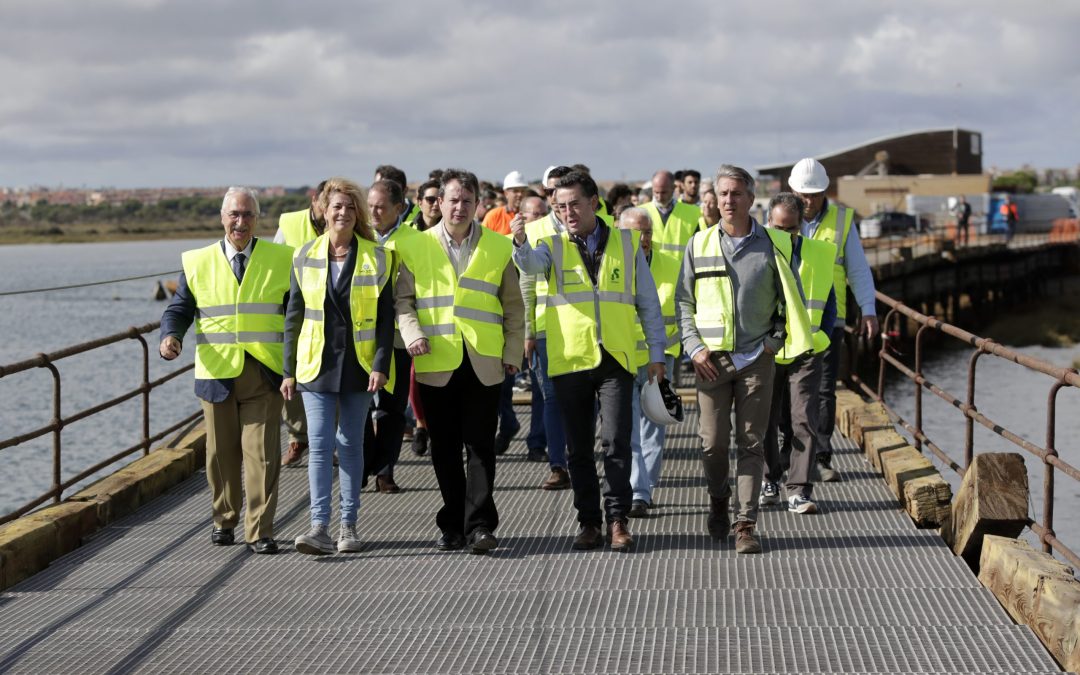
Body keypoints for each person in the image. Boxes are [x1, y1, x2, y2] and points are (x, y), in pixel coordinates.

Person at [512, 171, 668, 553]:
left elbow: (647, 301)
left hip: (615, 357)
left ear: (594, 202)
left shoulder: (628, 244)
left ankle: (617, 520)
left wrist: (657, 354)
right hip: (570, 359)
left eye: (574, 204)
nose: (567, 212)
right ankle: (588, 521)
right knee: (578, 448)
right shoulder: (550, 245)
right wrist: (519, 243)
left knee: (615, 441)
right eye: (560, 206)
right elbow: (530, 267)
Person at [677, 165, 814, 554]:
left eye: (736, 193)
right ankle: (719, 499)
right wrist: (694, 347)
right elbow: (683, 303)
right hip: (710, 361)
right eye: (723, 193)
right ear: (715, 198)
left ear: (752, 199)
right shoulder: (698, 244)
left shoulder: (773, 244)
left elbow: (791, 301)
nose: (728, 200)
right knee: (712, 444)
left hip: (757, 358)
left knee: (751, 443)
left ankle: (745, 523)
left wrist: (774, 341)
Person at [395, 169, 525, 554]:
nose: (459, 207)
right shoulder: (415, 246)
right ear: (439, 203)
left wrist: (512, 353)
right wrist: (412, 333)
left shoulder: (500, 247)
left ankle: (481, 525)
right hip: (436, 358)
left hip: (485, 360)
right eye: (452, 200)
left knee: (481, 446)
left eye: (467, 201)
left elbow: (514, 308)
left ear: (477, 205)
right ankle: (452, 523)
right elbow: (403, 302)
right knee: (445, 447)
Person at [160, 186, 293, 554]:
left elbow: (295, 316)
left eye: (248, 215)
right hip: (216, 371)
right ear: (222, 218)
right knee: (220, 454)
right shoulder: (196, 261)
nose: (240, 221)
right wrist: (171, 336)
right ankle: (224, 519)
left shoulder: (282, 258)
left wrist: (294, 366)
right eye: (234, 214)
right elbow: (179, 310)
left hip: (264, 371)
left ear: (257, 219)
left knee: (262, 454)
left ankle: (260, 530)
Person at [282, 178, 394, 555]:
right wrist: (288, 371)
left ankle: (349, 525)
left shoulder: (378, 257)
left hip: (360, 366)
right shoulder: (304, 255)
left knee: (350, 444)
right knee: (318, 445)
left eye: (349, 207)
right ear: (323, 212)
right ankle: (318, 526)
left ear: (357, 213)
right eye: (336, 207)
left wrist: (381, 363)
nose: (342, 213)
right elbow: (294, 316)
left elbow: (385, 318)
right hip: (316, 365)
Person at [787, 158, 878, 482]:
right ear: (792, 190)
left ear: (825, 191)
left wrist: (868, 308)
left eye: (814, 194)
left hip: (830, 320)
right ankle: (791, 454)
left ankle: (822, 458)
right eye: (803, 194)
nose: (808, 201)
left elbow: (857, 269)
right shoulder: (781, 218)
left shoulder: (842, 221)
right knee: (788, 390)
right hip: (788, 321)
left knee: (825, 391)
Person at [761, 193, 838, 515]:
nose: (786, 236)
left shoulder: (819, 255)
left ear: (802, 226)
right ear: (768, 224)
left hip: (806, 350)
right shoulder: (758, 255)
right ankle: (769, 478)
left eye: (792, 229)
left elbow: (830, 302)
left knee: (803, 419)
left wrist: (822, 335)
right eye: (779, 228)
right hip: (767, 350)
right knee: (765, 421)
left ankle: (798, 490)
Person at [617, 208, 681, 518]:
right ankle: (639, 491)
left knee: (655, 425)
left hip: (660, 358)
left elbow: (683, 309)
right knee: (628, 428)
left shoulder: (671, 265)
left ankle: (646, 487)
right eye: (635, 233)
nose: (642, 239)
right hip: (624, 358)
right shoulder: (611, 266)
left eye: (647, 233)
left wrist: (669, 353)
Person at [363, 179, 420, 494]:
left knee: (391, 409)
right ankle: (365, 462)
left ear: (399, 208)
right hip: (363, 338)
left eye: (381, 207)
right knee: (358, 406)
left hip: (398, 338)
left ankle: (385, 471)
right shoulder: (358, 237)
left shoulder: (416, 241)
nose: (374, 212)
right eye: (370, 205)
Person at [520, 165, 575, 490]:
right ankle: (558, 465)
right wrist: (528, 331)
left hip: (583, 328)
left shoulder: (593, 225)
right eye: (551, 191)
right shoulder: (536, 228)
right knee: (552, 398)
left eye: (562, 190)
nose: (556, 197)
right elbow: (527, 285)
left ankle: (578, 456)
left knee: (585, 399)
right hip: (545, 328)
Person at [274, 180, 328, 467]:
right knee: (290, 374)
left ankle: (326, 443)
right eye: (325, 200)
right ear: (314, 200)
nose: (329, 207)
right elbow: (274, 262)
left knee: (328, 376)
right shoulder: (290, 224)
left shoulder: (344, 222)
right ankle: (298, 438)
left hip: (330, 312)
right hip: (295, 308)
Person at [519, 193, 552, 464]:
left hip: (562, 327)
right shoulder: (521, 246)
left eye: (544, 212)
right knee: (543, 393)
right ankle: (537, 443)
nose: (540, 218)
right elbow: (525, 290)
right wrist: (527, 332)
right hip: (538, 327)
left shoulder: (554, 238)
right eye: (535, 214)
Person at [642, 170, 702, 262]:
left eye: (664, 192)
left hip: (681, 272)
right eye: (656, 192)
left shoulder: (694, 212)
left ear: (673, 188)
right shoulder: (641, 212)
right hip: (650, 272)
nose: (659, 196)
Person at [481, 170, 530, 236]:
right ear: (506, 193)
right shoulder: (494, 216)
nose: (520, 194)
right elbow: (482, 240)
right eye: (515, 191)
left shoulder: (533, 215)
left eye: (523, 191)